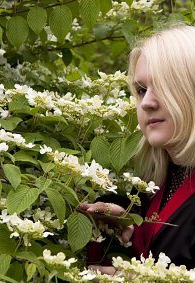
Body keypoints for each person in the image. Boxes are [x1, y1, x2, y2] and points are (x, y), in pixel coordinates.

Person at [79, 24, 195, 273]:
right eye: (141, 90)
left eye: (164, 86)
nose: (147, 103)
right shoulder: (154, 183)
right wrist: (123, 217)